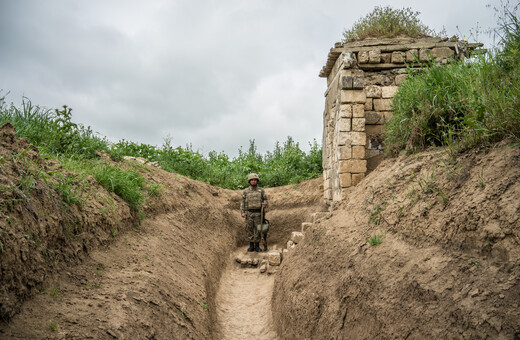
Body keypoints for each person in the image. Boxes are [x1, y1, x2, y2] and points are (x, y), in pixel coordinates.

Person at [240, 173, 268, 252]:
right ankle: (251, 245)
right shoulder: (245, 191)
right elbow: (242, 202)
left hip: (258, 213)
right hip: (249, 213)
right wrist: (242, 212)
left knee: (258, 230)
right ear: (249, 181)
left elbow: (266, 200)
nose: (253, 181)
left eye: (255, 180)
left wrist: (264, 204)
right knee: (249, 229)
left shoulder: (261, 190)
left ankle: (257, 246)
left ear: (257, 181)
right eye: (252, 180)